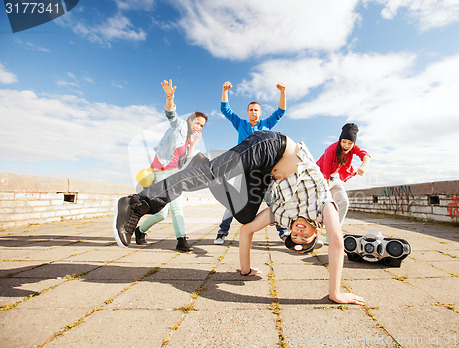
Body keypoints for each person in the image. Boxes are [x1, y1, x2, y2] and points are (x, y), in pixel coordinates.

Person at [113, 130, 365, 305]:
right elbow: (337, 242)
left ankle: (200, 163)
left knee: (245, 216)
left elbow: (247, 231)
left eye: (294, 235)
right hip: (272, 146)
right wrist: (335, 292)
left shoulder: (283, 215)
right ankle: (138, 203)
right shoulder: (324, 209)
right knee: (211, 173)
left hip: (266, 172)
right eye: (304, 236)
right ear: (315, 233)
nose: (298, 231)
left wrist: (245, 269)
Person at [133, 79, 207, 252]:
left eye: (202, 126)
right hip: (160, 171)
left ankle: (144, 231)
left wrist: (194, 144)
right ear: (190, 120)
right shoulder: (180, 125)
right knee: (169, 210)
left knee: (168, 210)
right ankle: (178, 239)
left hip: (175, 173)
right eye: (197, 122)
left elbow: (186, 161)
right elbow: (171, 113)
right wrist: (169, 96)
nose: (199, 127)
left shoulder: (189, 140)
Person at [214, 81, 288, 245]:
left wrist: (282, 92)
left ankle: (283, 232)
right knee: (234, 202)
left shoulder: (266, 125)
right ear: (247, 112)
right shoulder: (240, 124)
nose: (253, 112)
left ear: (260, 113)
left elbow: (281, 111)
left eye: (256, 110)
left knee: (272, 201)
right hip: (244, 168)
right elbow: (225, 110)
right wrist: (224, 90)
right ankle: (222, 232)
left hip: (263, 171)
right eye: (251, 110)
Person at [316, 123, 371, 240]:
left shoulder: (353, 148)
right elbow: (325, 172)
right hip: (321, 178)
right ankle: (310, 232)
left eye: (350, 143)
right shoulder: (330, 150)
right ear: (340, 140)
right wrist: (326, 195)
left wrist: (363, 166)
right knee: (319, 205)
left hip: (335, 178)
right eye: (344, 142)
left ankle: (333, 234)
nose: (346, 146)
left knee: (344, 203)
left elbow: (366, 156)